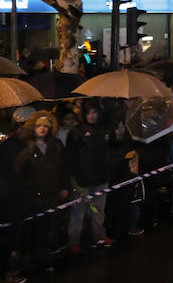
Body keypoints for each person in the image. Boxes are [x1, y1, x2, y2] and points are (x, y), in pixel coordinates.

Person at [13, 111, 69, 273]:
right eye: (38, 125)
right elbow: (18, 173)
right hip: (31, 199)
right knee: (32, 231)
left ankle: (45, 261)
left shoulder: (57, 145)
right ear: (33, 128)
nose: (42, 128)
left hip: (51, 196)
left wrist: (64, 187)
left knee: (48, 231)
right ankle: (28, 263)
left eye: (45, 125)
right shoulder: (27, 149)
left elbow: (64, 168)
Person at [65, 102, 114, 253]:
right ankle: (74, 241)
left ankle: (98, 236)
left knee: (99, 210)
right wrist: (75, 181)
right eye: (89, 113)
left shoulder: (102, 130)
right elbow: (70, 158)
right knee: (78, 213)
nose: (92, 116)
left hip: (100, 177)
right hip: (82, 179)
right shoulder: (75, 132)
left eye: (95, 112)